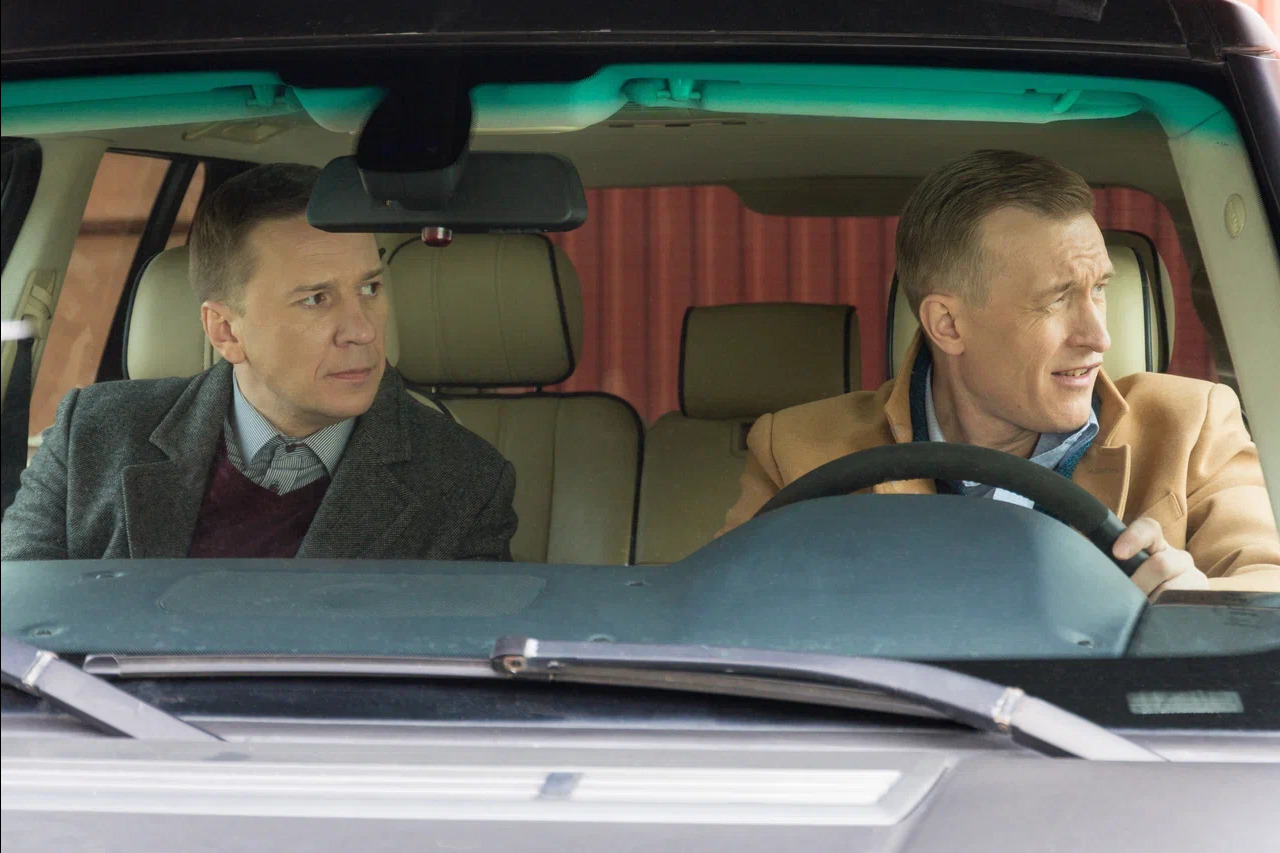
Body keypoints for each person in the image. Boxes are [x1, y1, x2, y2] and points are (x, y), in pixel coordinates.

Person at [719, 149, 1280, 595]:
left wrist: (1198, 605)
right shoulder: (796, 451)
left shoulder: (1191, 425)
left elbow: (1267, 586)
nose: (1099, 337)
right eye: (1057, 298)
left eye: (1099, 290)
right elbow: (717, 616)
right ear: (948, 325)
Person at [2, 163, 517, 561]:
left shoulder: (464, 480)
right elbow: (14, 622)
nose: (362, 330)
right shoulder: (90, 434)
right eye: (315, 299)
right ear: (226, 331)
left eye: (370, 288)